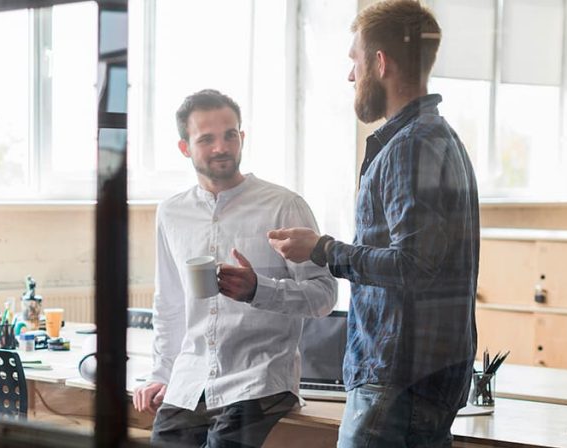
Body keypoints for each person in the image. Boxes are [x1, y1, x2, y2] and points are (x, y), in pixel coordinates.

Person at [266, 1, 479, 446]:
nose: (351, 76)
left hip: (396, 379)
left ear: (380, 63)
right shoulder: (442, 139)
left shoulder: (410, 147)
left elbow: (415, 265)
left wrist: (323, 250)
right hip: (424, 376)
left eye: (355, 62)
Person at [132, 89, 337, 447]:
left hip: (259, 378)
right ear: (185, 147)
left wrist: (259, 290)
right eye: (206, 139)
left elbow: (324, 296)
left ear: (242, 137)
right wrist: (161, 373)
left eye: (230, 135)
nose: (221, 147)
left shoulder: (284, 206)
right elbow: (170, 304)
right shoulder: (171, 213)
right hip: (190, 379)